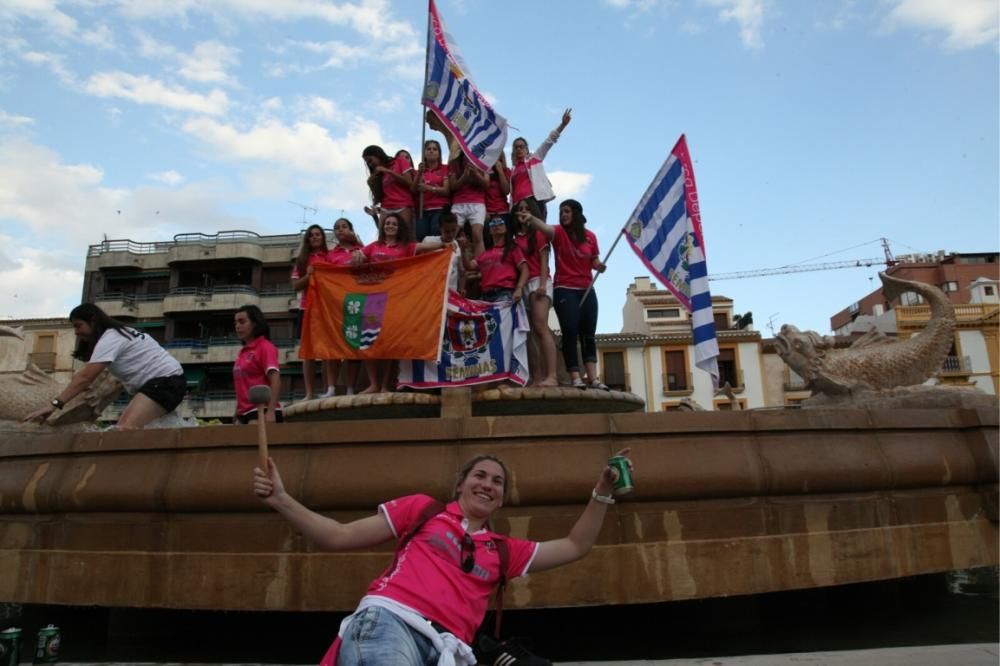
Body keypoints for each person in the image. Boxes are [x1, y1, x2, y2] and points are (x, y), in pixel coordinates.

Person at [252, 449, 633, 666]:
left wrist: (601, 491)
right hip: (391, 621)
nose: (487, 484)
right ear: (460, 485)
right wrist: (281, 499)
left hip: (447, 651)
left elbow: (575, 546)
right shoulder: (424, 511)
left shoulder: (502, 550)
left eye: (497, 482)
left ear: (501, 498)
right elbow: (338, 536)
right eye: (479, 476)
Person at [22, 303, 185, 429]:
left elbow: (85, 378)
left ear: (93, 321)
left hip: (165, 383)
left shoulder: (111, 338)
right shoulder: (120, 332)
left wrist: (53, 405)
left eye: (78, 326)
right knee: (131, 431)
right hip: (165, 383)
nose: (76, 332)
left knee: (123, 432)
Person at [351, 214, 447, 393]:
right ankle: (373, 384)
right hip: (373, 298)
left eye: (394, 224)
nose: (390, 226)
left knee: (389, 342)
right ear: (383, 227)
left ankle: (385, 385)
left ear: (399, 228)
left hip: (395, 300)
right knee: (367, 341)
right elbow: (356, 258)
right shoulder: (373, 247)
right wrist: (356, 254)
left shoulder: (405, 247)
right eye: (387, 223)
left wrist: (443, 244)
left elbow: (423, 247)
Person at [518, 199, 607, 389]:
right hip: (564, 289)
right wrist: (530, 217)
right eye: (561, 212)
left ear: (576, 213)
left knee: (588, 335)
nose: (563, 215)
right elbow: (542, 226)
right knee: (570, 332)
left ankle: (593, 378)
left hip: (587, 289)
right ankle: (574, 376)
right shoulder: (558, 232)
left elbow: (594, 260)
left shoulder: (590, 236)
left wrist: (599, 266)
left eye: (566, 211)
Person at [513, 200, 558, 387]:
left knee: (541, 326)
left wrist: (541, 284)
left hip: (539, 282)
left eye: (526, 209)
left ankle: (552, 376)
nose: (523, 212)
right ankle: (536, 376)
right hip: (524, 286)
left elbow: (544, 258)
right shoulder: (515, 239)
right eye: (520, 209)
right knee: (530, 332)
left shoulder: (539, 233)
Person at [323, 217, 365, 397]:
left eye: (344, 227)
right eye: (337, 228)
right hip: (335, 304)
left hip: (356, 302)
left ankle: (350, 388)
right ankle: (331, 388)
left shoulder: (361, 250)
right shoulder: (331, 255)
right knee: (332, 346)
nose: (340, 230)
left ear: (351, 229)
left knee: (353, 346)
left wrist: (357, 240)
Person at [292, 224, 332, 401]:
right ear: (307, 239)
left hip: (326, 309)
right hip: (306, 308)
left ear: (323, 238)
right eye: (311, 235)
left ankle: (327, 390)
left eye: (318, 234)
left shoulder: (330, 257)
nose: (315, 237)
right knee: (308, 353)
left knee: (326, 352)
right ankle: (309, 393)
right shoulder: (301, 260)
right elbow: (295, 286)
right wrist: (308, 276)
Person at [510, 108, 572, 221]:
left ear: (527, 149)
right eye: (516, 147)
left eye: (521, 146)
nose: (519, 149)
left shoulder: (534, 159)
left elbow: (549, 141)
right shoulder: (512, 170)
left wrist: (562, 125)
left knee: (537, 231)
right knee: (520, 235)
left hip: (534, 200)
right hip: (517, 205)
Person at [232, 305, 283, 424]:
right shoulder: (242, 352)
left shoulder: (265, 347)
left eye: (242, 322)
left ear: (255, 323)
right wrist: (236, 412)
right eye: (235, 323)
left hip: (261, 410)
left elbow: (275, 379)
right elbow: (242, 385)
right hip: (243, 413)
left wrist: (271, 411)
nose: (237, 326)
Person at [468, 217, 528, 303]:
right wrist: (462, 250)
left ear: (506, 228)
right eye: (492, 224)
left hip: (505, 292)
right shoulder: (485, 254)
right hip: (485, 295)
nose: (497, 225)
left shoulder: (512, 248)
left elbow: (525, 270)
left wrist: (519, 288)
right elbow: (469, 266)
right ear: (489, 231)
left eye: (500, 222)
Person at [363, 145, 416, 230]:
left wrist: (388, 171)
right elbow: (379, 198)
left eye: (370, 160)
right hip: (385, 207)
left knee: (403, 238)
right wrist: (371, 184)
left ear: (377, 155)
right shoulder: (378, 173)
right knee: (382, 238)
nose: (370, 164)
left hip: (403, 205)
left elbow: (409, 182)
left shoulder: (399, 161)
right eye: (368, 163)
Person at [413, 139, 451, 241]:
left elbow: (446, 190)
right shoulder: (419, 171)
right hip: (423, 210)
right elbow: (413, 190)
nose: (431, 151)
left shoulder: (445, 168)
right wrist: (419, 173)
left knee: (436, 235)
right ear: (424, 153)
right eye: (428, 149)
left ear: (439, 154)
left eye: (435, 149)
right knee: (420, 236)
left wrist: (428, 188)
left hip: (440, 209)